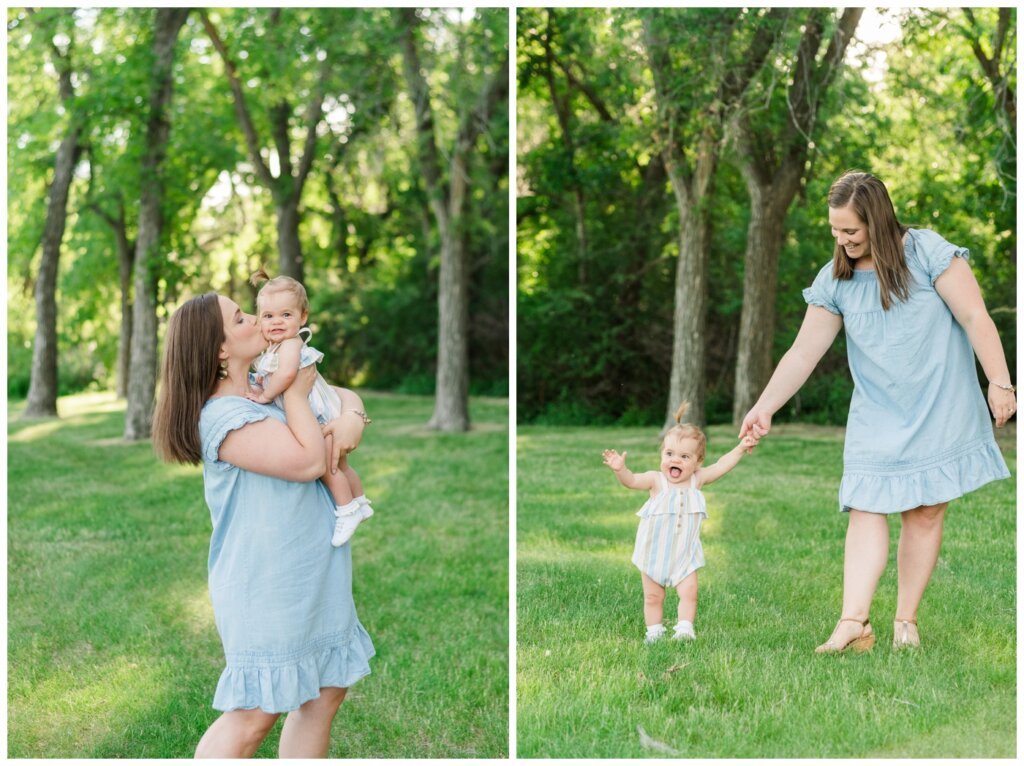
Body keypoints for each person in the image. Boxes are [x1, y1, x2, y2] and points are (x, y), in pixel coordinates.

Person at [739, 170, 1013, 654]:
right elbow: (803, 353)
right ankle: (853, 621)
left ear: (878, 221)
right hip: (877, 410)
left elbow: (974, 316)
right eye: (835, 231)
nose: (842, 241)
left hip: (938, 402)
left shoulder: (927, 253)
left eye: (851, 231)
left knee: (924, 512)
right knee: (864, 505)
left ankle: (905, 620)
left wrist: (999, 380)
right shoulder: (836, 280)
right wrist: (764, 406)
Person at [152, 292, 375, 758]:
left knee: (324, 691)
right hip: (266, 584)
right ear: (219, 348)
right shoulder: (224, 417)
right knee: (256, 713)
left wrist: (351, 418)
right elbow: (310, 460)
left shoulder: (263, 381)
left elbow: (335, 395)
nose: (256, 318)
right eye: (240, 317)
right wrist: (294, 391)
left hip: (311, 570)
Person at [603, 402, 757, 644]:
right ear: (662, 454)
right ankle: (654, 632)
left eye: (685, 457)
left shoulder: (697, 480)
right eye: (670, 454)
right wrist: (620, 470)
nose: (675, 460)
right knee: (653, 597)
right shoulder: (656, 481)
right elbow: (631, 481)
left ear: (698, 462)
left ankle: (684, 628)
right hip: (654, 553)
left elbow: (721, 466)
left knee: (690, 593)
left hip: (685, 554)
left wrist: (740, 448)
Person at [248, 269, 373, 546]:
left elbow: (287, 375)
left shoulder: (291, 345)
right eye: (268, 316)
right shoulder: (273, 349)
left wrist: (266, 394)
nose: (276, 322)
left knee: (329, 465)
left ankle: (347, 510)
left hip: (314, 411)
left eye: (286, 315)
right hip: (315, 406)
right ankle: (361, 501)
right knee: (340, 462)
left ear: (303, 317)